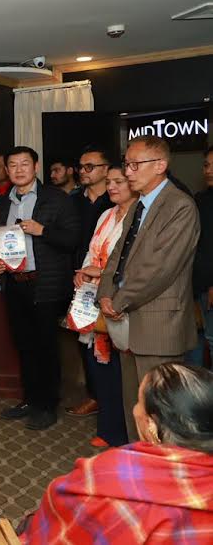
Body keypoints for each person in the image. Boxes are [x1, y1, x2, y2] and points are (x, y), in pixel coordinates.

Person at [20, 363, 213, 544]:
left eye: (138, 402)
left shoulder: (112, 474)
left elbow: (59, 514)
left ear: (151, 425)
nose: (135, 409)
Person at [97, 135, 200, 443]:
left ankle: (160, 471)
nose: (128, 172)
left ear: (160, 165)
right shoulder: (138, 205)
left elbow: (160, 269)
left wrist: (118, 301)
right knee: (136, 407)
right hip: (128, 321)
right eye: (126, 164)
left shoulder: (180, 206)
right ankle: (138, 464)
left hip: (159, 325)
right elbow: (117, 255)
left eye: (134, 165)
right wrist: (105, 293)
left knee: (160, 417)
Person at [0, 146, 79, 431]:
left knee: (46, 347)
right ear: (7, 170)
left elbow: (73, 239)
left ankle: (47, 405)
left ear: (36, 167)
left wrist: (43, 231)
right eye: (13, 165)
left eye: (24, 164)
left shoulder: (56, 198)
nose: (19, 170)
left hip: (45, 284)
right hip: (15, 284)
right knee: (24, 346)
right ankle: (30, 400)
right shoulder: (4, 203)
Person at [72, 165, 135, 447]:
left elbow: (133, 263)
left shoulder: (140, 216)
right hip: (93, 298)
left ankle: (125, 433)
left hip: (121, 298)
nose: (111, 187)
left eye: (119, 181)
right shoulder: (106, 215)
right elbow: (92, 250)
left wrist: (101, 273)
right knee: (100, 365)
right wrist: (84, 272)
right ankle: (108, 429)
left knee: (123, 368)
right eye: (109, 182)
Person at [65, 146, 114, 420]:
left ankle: (110, 400)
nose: (83, 171)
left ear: (106, 169)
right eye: (81, 166)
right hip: (79, 279)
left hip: (109, 280)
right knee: (83, 336)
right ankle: (94, 396)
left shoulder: (117, 200)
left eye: (90, 167)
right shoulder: (73, 201)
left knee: (108, 341)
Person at [188, 145, 213, 367]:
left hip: (209, 286)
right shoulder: (200, 199)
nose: (208, 170)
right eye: (206, 165)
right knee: (193, 342)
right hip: (196, 286)